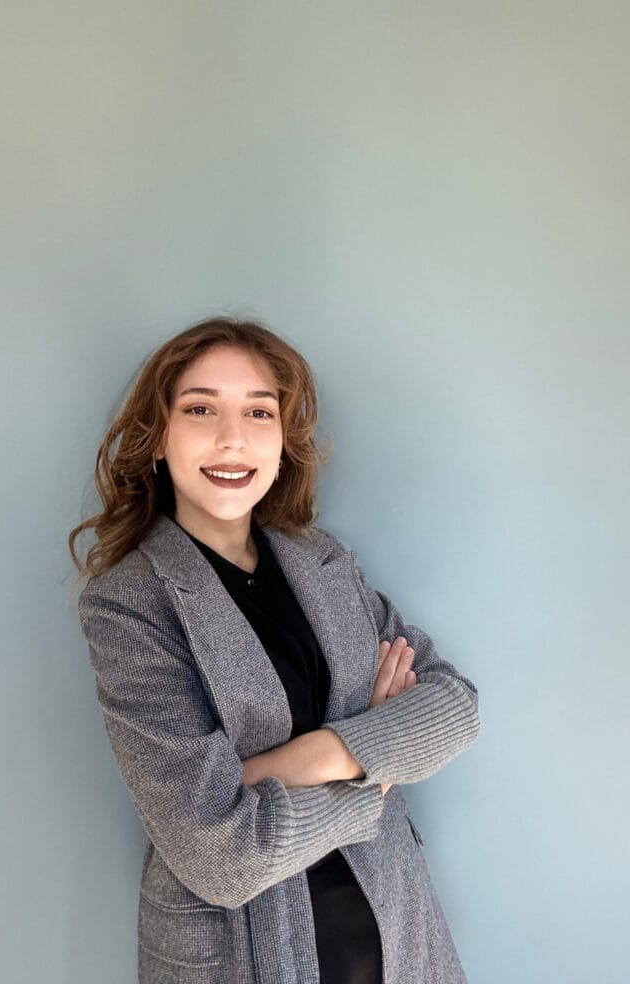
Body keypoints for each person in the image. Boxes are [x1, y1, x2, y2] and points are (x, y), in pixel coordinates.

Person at [68, 315, 481, 984]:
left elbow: (454, 705)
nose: (233, 438)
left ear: (283, 442)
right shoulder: (130, 603)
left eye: (259, 412)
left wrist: (316, 757)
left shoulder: (323, 559)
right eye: (201, 408)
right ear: (157, 438)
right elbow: (217, 854)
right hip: (237, 955)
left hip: (395, 931)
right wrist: (375, 770)